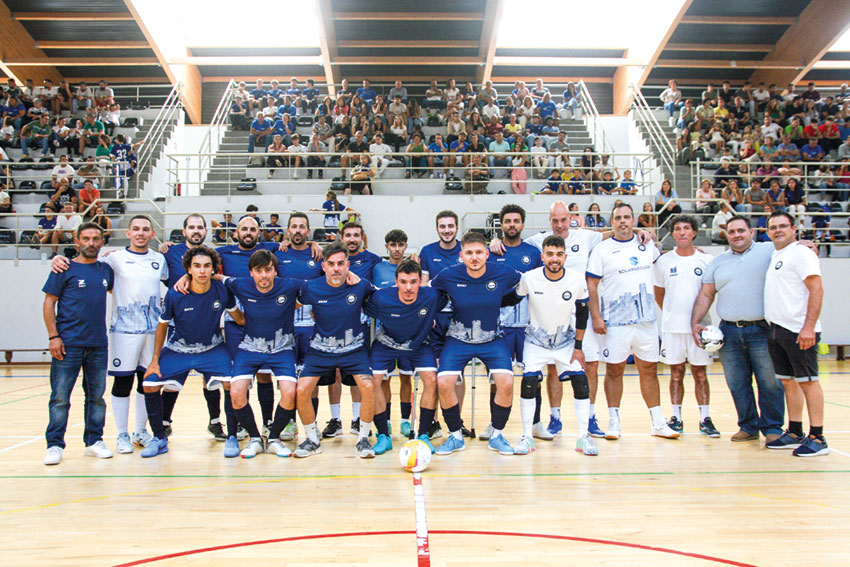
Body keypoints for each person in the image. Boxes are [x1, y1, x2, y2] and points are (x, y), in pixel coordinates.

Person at [51, 215, 168, 454]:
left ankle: (140, 430)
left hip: (152, 332)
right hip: (124, 332)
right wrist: (57, 257)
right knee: (123, 382)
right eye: (136, 229)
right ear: (128, 233)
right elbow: (85, 263)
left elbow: (174, 278)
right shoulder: (113, 259)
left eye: (145, 229)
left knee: (147, 382)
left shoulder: (159, 259)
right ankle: (121, 434)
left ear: (152, 234)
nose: (140, 233)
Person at [690, 215, 787, 443]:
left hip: (762, 329)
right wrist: (695, 322)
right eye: (732, 232)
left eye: (741, 230)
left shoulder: (769, 251)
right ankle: (748, 426)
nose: (736, 235)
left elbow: (791, 248)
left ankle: (772, 427)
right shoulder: (718, 261)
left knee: (770, 382)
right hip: (729, 332)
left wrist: (807, 244)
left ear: (751, 232)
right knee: (737, 383)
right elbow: (706, 294)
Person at [586, 203, 679, 440]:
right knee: (614, 370)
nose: (623, 221)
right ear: (612, 222)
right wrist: (596, 316)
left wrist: (693, 252)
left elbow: (665, 267)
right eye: (618, 218)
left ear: (633, 220)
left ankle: (657, 422)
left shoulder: (647, 245)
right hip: (614, 323)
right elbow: (591, 285)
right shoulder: (602, 249)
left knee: (649, 370)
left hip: (646, 323)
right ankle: (614, 422)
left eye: (627, 217)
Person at [141, 247, 242, 458]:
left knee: (232, 383)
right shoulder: (176, 293)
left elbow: (240, 319)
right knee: (150, 383)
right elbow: (162, 325)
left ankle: (232, 436)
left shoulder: (222, 290)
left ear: (214, 269)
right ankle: (159, 438)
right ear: (188, 269)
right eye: (197, 266)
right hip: (179, 349)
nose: (202, 271)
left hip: (212, 348)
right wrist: (154, 360)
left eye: (206, 266)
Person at [430, 231, 522, 456]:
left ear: (487, 254)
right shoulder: (448, 275)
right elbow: (429, 291)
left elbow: (528, 281)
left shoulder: (503, 272)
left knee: (506, 383)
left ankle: (497, 435)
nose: (474, 257)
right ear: (461, 255)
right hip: (458, 339)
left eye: (479, 252)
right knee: (444, 383)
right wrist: (428, 314)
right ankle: (455, 436)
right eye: (469, 253)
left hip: (492, 339)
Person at [513, 235, 597, 455]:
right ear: (542, 257)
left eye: (559, 254)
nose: (554, 259)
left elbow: (582, 313)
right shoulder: (529, 278)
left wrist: (578, 347)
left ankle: (583, 437)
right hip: (535, 341)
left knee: (581, 382)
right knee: (529, 383)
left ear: (565, 257)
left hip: (565, 342)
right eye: (550, 254)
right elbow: (510, 299)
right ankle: (527, 437)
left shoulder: (576, 279)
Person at [42, 222, 115, 465]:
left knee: (96, 397)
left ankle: (94, 441)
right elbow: (49, 303)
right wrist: (53, 336)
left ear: (102, 242)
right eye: (86, 238)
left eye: (95, 239)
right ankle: (54, 445)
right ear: (77, 242)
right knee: (60, 397)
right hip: (68, 344)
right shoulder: (63, 268)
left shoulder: (106, 270)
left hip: (98, 345)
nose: (91, 243)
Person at [294, 243, 376, 458]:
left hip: (353, 349)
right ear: (324, 266)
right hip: (320, 350)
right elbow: (289, 304)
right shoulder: (311, 287)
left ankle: (363, 438)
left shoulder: (360, 285)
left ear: (348, 265)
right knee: (301, 389)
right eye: (331, 264)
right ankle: (312, 439)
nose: (336, 268)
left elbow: (386, 300)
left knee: (368, 387)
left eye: (341, 263)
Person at [158, 214, 234, 441]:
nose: (196, 230)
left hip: (206, 321)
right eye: (191, 227)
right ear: (184, 231)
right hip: (179, 324)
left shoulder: (213, 254)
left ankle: (215, 422)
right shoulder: (169, 252)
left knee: (212, 377)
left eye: (200, 227)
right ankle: (164, 422)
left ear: (206, 231)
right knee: (173, 378)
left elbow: (216, 276)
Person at [477, 205, 545, 447]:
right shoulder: (492, 252)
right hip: (500, 325)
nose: (512, 225)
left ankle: (536, 423)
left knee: (533, 376)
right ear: (501, 225)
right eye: (508, 221)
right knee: (497, 377)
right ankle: (495, 424)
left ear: (522, 224)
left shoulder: (533, 253)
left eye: (516, 221)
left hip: (528, 325)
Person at [363, 259, 446, 454]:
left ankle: (423, 435)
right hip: (386, 343)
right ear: (396, 282)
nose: (408, 287)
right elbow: (360, 301)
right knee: (373, 381)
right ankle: (383, 435)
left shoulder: (432, 296)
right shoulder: (381, 298)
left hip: (418, 344)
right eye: (403, 282)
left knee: (432, 380)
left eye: (413, 282)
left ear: (420, 281)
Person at [763, 212, 828, 456]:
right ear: (768, 232)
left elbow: (816, 289)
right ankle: (794, 431)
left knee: (809, 382)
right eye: (773, 227)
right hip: (778, 329)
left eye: (783, 226)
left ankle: (818, 437)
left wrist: (808, 327)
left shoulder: (801, 253)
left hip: (799, 330)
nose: (778, 230)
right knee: (789, 382)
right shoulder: (776, 254)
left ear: (794, 229)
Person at [653, 216, 719, 437]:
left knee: (700, 374)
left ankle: (705, 419)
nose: (682, 232)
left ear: (694, 233)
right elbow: (659, 293)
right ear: (672, 234)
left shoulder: (706, 259)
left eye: (686, 228)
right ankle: (676, 418)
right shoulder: (663, 261)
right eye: (678, 229)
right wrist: (672, 313)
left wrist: (697, 319)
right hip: (672, 328)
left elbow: (710, 293)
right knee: (676, 373)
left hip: (699, 329)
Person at [274, 212, 325, 441]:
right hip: (285, 326)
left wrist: (316, 244)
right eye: (293, 226)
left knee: (310, 379)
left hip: (312, 326)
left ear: (308, 231)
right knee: (287, 378)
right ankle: (289, 423)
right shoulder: (278, 254)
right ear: (287, 231)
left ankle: (312, 425)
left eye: (302, 226)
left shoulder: (317, 255)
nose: (297, 230)